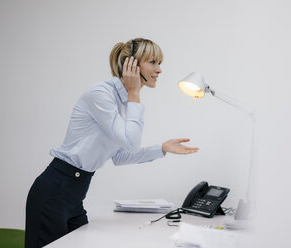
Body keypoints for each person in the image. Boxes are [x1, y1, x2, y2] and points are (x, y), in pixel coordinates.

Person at [25, 38, 199, 248]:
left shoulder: (125, 103)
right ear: (132, 64)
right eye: (153, 62)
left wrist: (161, 149)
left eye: (160, 63)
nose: (159, 70)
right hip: (55, 189)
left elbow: (119, 155)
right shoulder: (102, 94)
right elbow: (131, 143)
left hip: (75, 192)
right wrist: (134, 93)